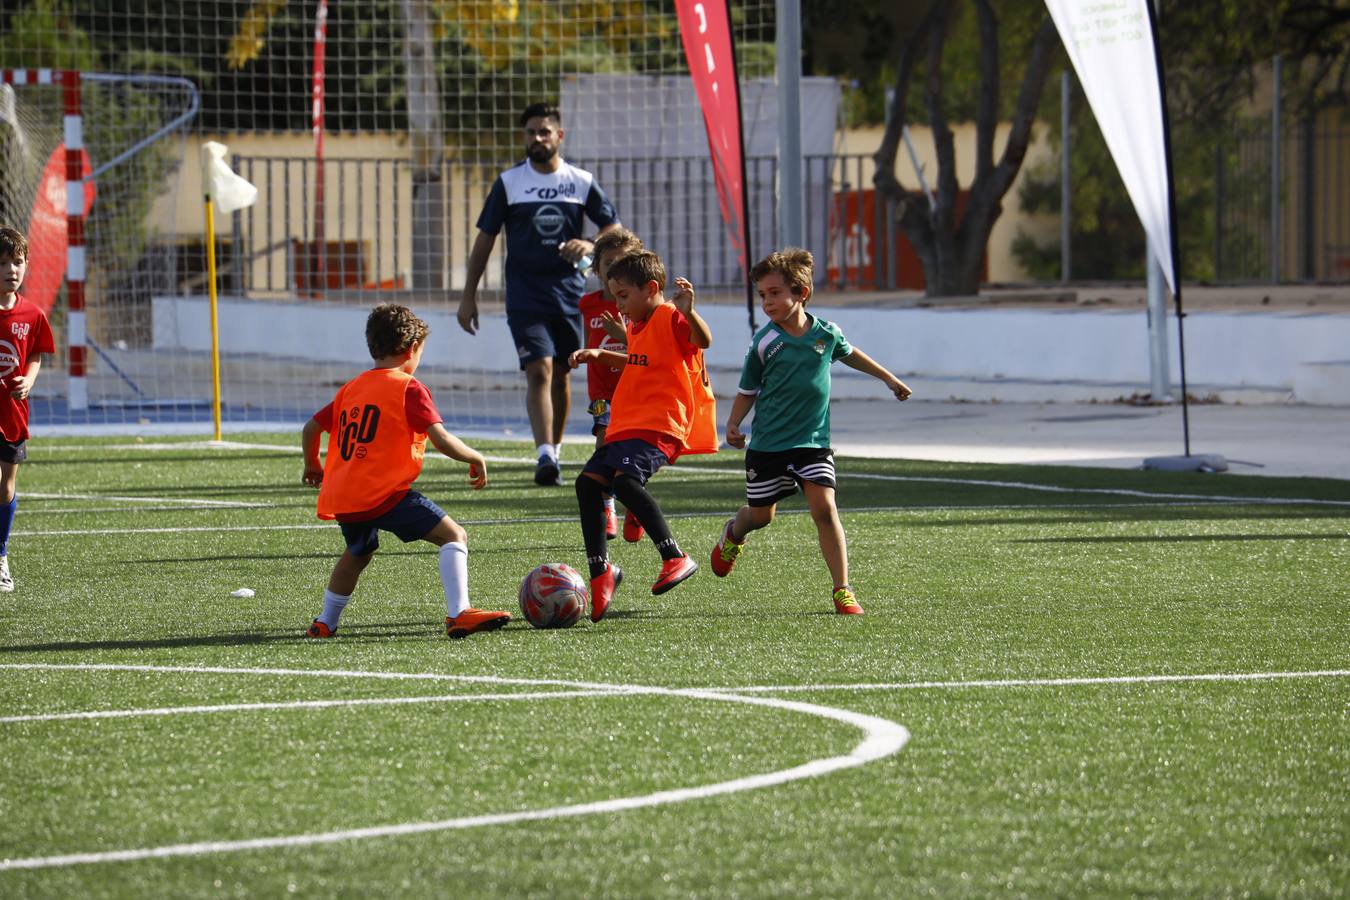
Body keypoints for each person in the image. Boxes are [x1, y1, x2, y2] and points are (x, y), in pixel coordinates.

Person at [710, 248, 912, 616]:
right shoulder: (764, 343)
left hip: (813, 444)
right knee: (761, 517)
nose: (767, 302)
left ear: (801, 293)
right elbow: (747, 390)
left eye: (775, 293)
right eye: (763, 295)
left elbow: (850, 353)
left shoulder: (826, 334)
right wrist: (734, 423)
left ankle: (843, 590)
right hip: (769, 447)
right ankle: (733, 533)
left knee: (825, 508)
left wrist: (888, 378)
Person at [301, 303, 511, 639]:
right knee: (454, 535)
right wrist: (475, 456)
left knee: (358, 553)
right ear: (412, 348)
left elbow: (311, 428)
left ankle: (325, 622)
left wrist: (314, 465)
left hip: (346, 497)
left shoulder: (351, 388)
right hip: (384, 494)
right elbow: (440, 438)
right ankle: (459, 613)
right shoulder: (408, 388)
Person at [457, 101, 621, 488]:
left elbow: (614, 229)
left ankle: (556, 450)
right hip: (524, 296)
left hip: (568, 295)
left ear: (559, 136)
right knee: (539, 369)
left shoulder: (580, 181)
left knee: (562, 374)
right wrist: (469, 295)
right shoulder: (509, 183)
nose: (537, 138)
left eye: (544, 131)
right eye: (530, 132)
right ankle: (544, 455)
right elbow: (484, 239)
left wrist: (589, 243)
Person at [569, 250, 717, 622]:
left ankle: (674, 556)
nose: (619, 306)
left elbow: (703, 341)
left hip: (660, 423)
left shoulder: (670, 316)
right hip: (626, 425)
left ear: (651, 289)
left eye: (623, 296)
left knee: (625, 483)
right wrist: (600, 355)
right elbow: (639, 360)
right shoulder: (636, 326)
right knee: (587, 484)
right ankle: (602, 572)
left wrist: (689, 310)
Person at [578, 226, 645, 541]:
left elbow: (648, 349)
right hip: (604, 392)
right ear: (597, 269)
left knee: (637, 448)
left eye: (624, 261)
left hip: (637, 390)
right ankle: (608, 506)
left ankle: (636, 502)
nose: (616, 268)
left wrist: (624, 337)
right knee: (604, 439)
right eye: (608, 263)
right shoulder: (588, 304)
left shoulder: (642, 306)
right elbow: (589, 343)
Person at [0, 227, 54, 594]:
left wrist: (30, 380)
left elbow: (35, 352)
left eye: (17, 261)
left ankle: (0, 554)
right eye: (3, 263)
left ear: (26, 265)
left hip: (13, 415)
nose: (11, 269)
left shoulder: (32, 314)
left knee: (5, 488)